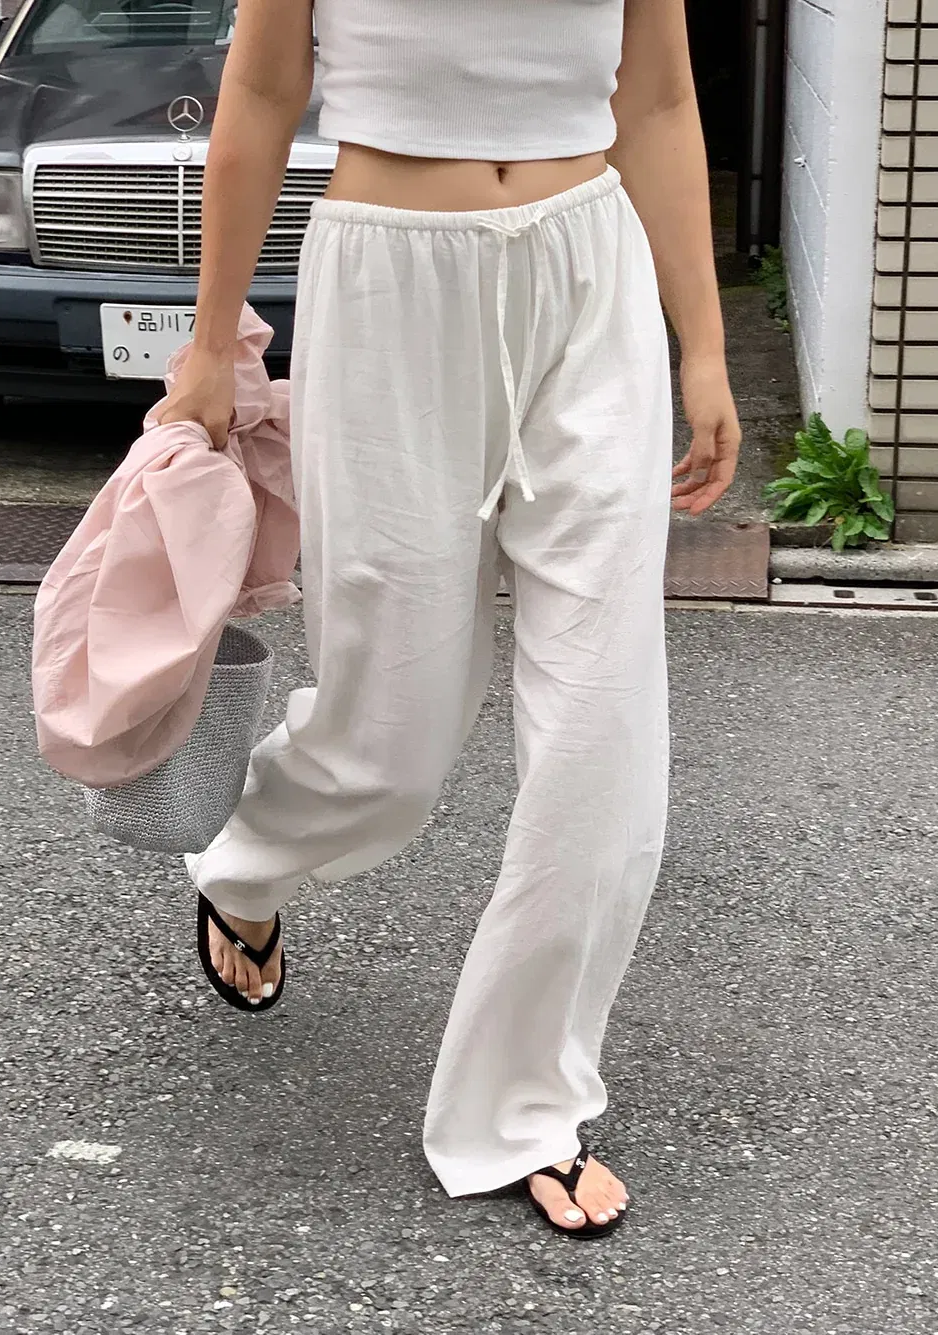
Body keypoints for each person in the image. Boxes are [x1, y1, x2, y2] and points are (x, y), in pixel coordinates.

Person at [160, 0, 741, 1238]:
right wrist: (211, 345)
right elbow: (260, 95)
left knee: (604, 723)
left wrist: (702, 345)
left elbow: (654, 101)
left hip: (589, 277)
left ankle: (523, 1104)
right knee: (393, 732)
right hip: (390, 284)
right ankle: (244, 865)